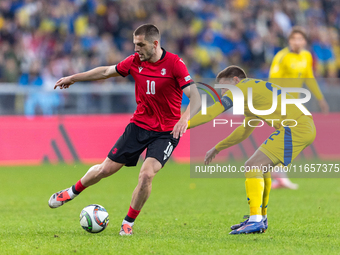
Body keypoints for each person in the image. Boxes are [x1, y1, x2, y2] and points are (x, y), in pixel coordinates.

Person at [48, 24, 201, 235]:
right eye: (134, 44)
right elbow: (105, 71)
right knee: (105, 169)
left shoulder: (175, 64)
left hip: (167, 132)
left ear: (155, 44)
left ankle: (128, 222)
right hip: (138, 126)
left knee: (146, 175)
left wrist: (184, 118)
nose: (136, 49)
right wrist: (74, 78)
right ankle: (70, 192)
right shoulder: (134, 61)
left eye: (140, 44)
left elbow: (196, 97)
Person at [188, 66, 316, 234]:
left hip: (295, 127)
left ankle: (256, 219)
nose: (223, 91)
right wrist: (217, 148)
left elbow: (212, 112)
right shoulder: (254, 91)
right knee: (261, 167)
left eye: (224, 86)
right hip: (302, 125)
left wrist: (184, 125)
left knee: (252, 165)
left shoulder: (242, 87)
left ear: (235, 80)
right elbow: (244, 131)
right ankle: (260, 218)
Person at [269, 26, 328, 189]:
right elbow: (272, 81)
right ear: (289, 41)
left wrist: (320, 99)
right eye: (294, 39)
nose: (297, 42)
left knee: (294, 136)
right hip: (281, 102)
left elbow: (309, 78)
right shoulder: (281, 57)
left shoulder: (306, 56)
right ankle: (278, 171)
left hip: (295, 103)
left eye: (300, 39)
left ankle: (277, 173)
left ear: (305, 41)